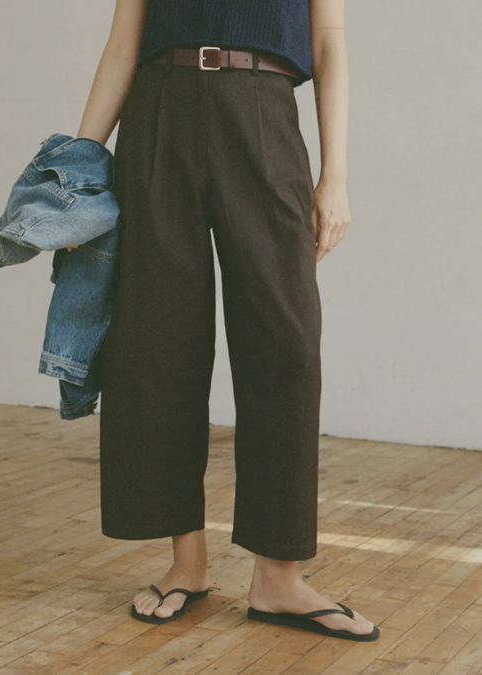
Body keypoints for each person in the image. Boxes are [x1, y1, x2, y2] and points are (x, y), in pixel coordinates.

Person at [75, 0, 379, 641]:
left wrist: (336, 175)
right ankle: (186, 562)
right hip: (158, 116)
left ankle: (278, 577)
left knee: (287, 345)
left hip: (265, 112)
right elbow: (122, 47)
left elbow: (329, 44)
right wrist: (78, 168)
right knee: (157, 343)